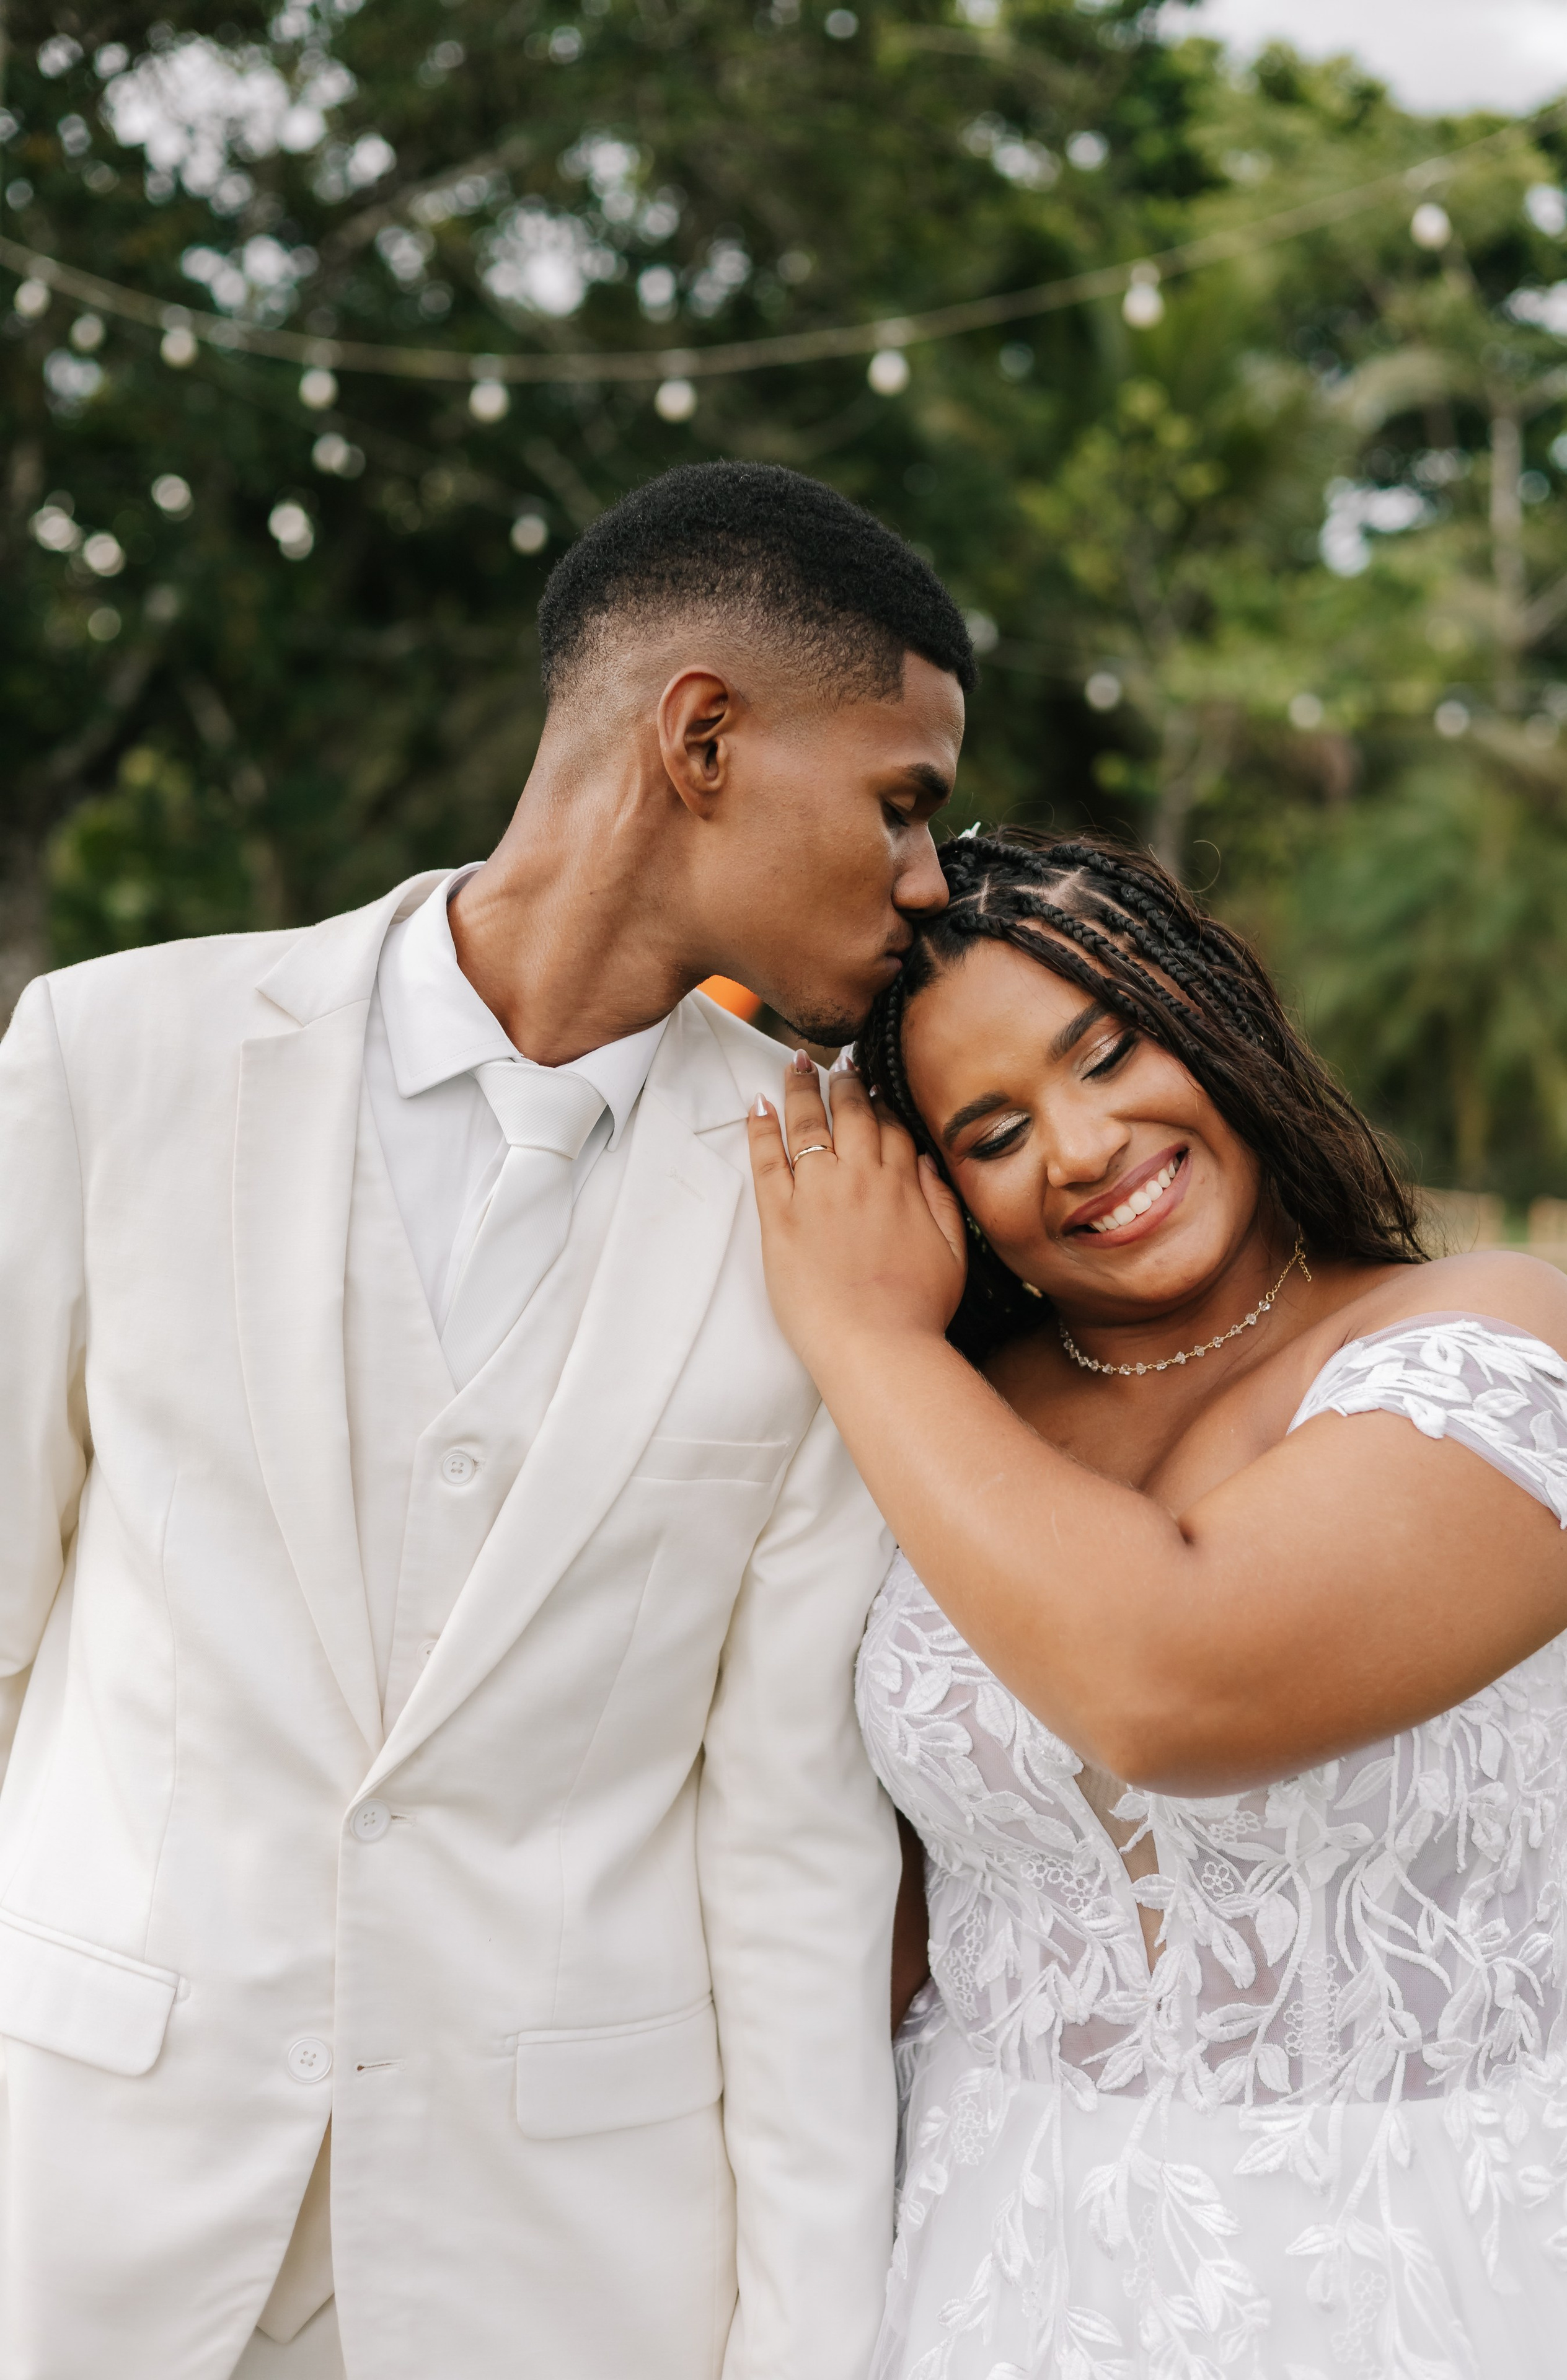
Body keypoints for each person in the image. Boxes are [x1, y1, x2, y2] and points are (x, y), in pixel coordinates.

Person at [0, 460, 975, 2380]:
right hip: (87, 2196)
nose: (930, 878)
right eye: (903, 801)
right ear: (702, 735)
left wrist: (806, 2352)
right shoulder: (114, 1062)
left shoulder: (827, 1205)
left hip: (556, 2275)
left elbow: (788, 1855)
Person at [748, 828, 1567, 2379]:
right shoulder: (944, 1420)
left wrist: (858, 1334)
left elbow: (1173, 1691)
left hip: (1395, 2271)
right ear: (945, 1194)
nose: (1077, 1147)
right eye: (991, 1133)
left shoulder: (1492, 1337)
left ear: (1214, 1019)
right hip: (976, 2260)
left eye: (1107, 1051)